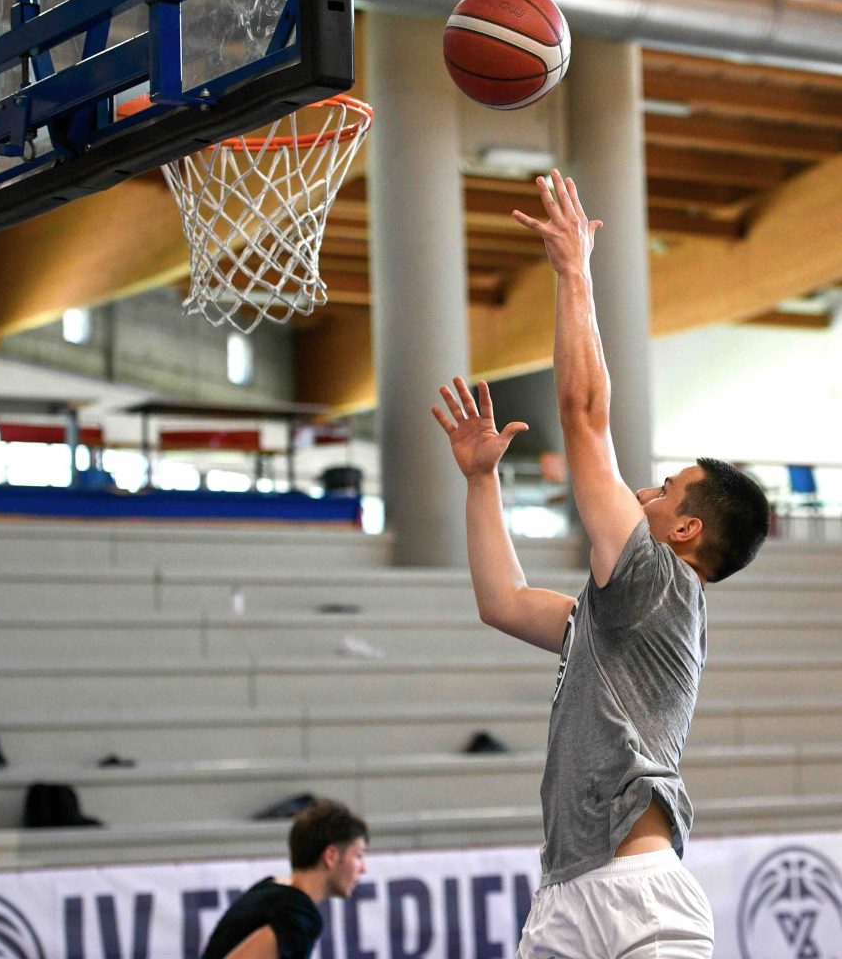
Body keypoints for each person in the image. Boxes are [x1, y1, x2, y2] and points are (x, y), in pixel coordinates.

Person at [431, 170, 770, 959]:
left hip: (637, 896)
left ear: (685, 529)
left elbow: (584, 417)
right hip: (564, 892)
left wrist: (573, 272)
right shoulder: (621, 616)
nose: (644, 490)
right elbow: (503, 601)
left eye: (666, 488)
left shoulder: (658, 580)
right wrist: (481, 482)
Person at [200, 798, 369, 959]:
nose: (363, 868)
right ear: (331, 856)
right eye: (358, 856)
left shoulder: (269, 889)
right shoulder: (296, 916)